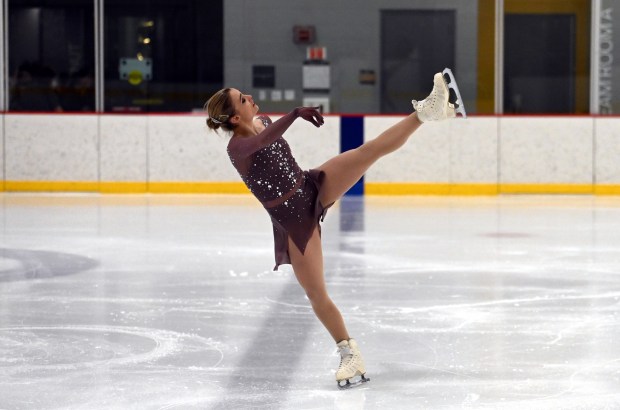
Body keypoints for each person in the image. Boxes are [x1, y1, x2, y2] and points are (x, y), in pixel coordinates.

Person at [204, 70, 462, 388]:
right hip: (295, 221)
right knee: (317, 294)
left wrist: (294, 118)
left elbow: (269, 138)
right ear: (232, 118)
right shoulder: (237, 149)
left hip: (312, 186)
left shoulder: (264, 120)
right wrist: (296, 113)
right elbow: (262, 142)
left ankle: (426, 110)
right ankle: (349, 353)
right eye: (243, 99)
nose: (250, 98)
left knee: (368, 152)